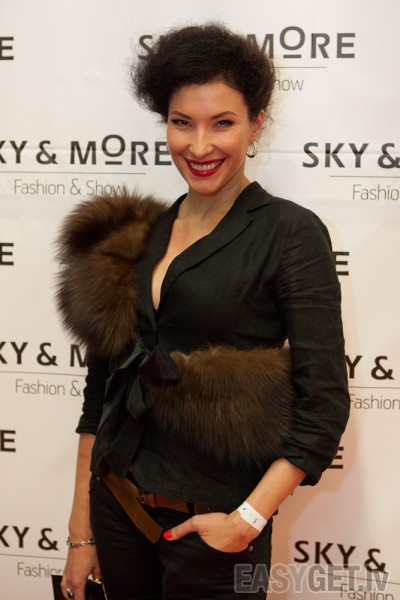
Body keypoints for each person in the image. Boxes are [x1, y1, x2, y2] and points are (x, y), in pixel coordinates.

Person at [56, 23, 350, 600]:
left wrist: (247, 521)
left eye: (222, 123)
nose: (198, 146)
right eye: (181, 122)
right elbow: (102, 389)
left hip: (215, 531)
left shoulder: (289, 233)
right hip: (117, 509)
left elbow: (324, 403)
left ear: (256, 123)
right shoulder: (141, 233)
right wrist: (80, 530)